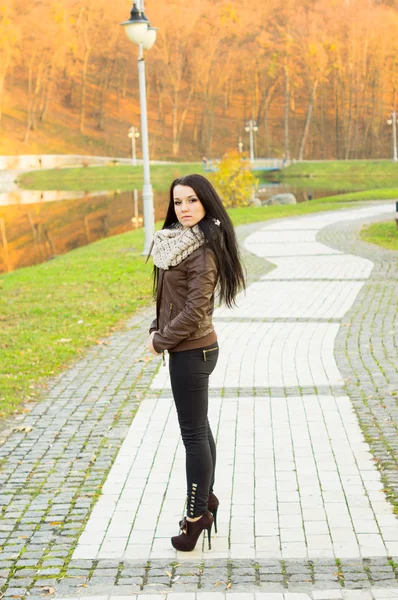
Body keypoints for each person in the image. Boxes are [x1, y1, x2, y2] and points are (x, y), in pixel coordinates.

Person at [147, 174, 245, 552]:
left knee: (192, 435)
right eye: (178, 202)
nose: (184, 209)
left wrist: (159, 341)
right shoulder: (176, 243)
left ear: (205, 203)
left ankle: (195, 517)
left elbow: (194, 311)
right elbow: (167, 298)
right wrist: (156, 326)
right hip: (191, 349)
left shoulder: (203, 249)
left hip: (192, 352)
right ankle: (206, 501)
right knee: (199, 428)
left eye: (191, 201)